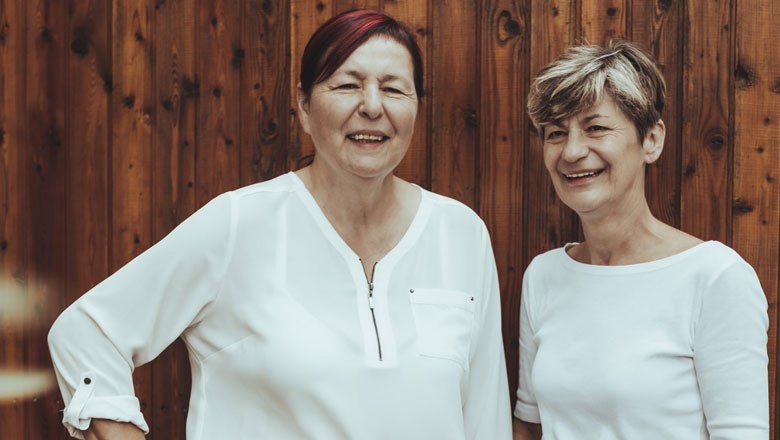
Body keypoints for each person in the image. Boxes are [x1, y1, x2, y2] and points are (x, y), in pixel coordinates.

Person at [48, 9, 512, 440]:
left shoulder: (461, 233)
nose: (373, 106)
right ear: (305, 107)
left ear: (416, 107)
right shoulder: (239, 224)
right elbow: (87, 332)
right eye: (348, 85)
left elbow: (485, 415)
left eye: (394, 89)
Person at [512, 40, 769, 440]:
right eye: (555, 133)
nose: (573, 151)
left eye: (596, 127)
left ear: (651, 140)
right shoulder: (544, 275)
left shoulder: (715, 277)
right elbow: (530, 425)